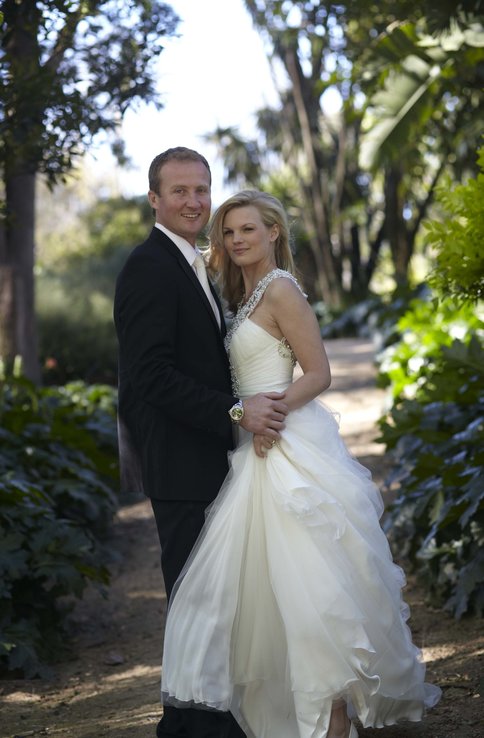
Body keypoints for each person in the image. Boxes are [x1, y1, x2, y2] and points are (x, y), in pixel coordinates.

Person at [160, 190, 442, 738]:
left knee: (309, 587)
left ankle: (332, 720)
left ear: (273, 234)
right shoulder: (238, 298)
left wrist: (271, 415)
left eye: (248, 229)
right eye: (229, 232)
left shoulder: (281, 289)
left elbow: (319, 373)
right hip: (250, 443)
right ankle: (294, 718)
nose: (237, 239)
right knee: (266, 592)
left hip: (283, 442)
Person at [113, 150, 289, 738]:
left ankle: (211, 722)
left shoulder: (192, 263)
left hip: (212, 457)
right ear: (155, 199)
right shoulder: (149, 266)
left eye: (201, 190)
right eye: (180, 191)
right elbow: (150, 375)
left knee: (211, 604)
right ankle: (189, 727)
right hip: (181, 463)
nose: (193, 202)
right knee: (195, 605)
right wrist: (235, 411)